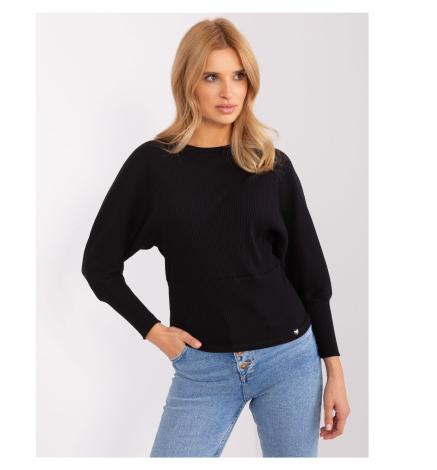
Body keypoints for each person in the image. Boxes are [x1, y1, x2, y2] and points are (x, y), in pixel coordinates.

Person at [81, 17, 350, 458]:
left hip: (289, 359)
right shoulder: (153, 166)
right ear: (188, 83)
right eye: (212, 77)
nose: (228, 91)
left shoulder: (271, 166)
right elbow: (99, 266)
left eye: (238, 76)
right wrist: (154, 331)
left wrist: (334, 371)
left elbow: (310, 275)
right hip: (202, 370)